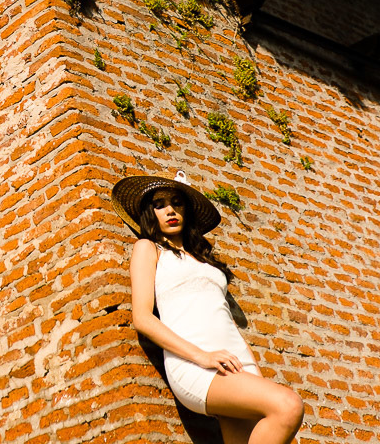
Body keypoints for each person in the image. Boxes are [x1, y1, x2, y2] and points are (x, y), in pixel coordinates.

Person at [111, 171, 304, 444]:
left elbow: (226, 320)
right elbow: (142, 318)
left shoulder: (204, 260)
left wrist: (254, 372)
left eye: (177, 203)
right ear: (148, 213)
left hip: (236, 360)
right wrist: (202, 356)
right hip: (196, 363)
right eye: (159, 205)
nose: (170, 210)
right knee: (288, 405)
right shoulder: (148, 249)